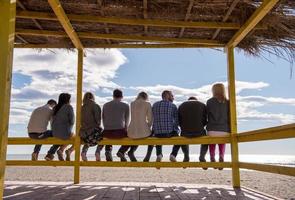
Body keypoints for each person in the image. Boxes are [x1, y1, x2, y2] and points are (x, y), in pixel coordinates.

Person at [171, 96, 209, 169]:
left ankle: (186, 156)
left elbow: (178, 121)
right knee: (206, 139)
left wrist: (183, 127)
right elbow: (205, 120)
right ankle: (202, 156)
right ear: (196, 100)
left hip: (185, 132)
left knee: (182, 137)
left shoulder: (182, 105)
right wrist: (201, 125)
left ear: (188, 100)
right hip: (199, 132)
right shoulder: (202, 105)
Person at [147, 90, 179, 163]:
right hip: (169, 133)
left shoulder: (155, 105)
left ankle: (159, 154)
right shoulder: (173, 106)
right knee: (179, 139)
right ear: (167, 96)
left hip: (157, 133)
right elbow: (176, 121)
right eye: (172, 96)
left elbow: (152, 118)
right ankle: (173, 155)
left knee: (158, 136)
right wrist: (176, 131)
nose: (173, 97)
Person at [102, 89, 131, 162]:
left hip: (107, 132)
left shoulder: (105, 105)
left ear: (113, 96)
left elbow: (103, 118)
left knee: (108, 134)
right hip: (119, 132)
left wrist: (106, 127)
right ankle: (121, 151)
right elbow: (127, 120)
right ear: (122, 96)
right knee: (131, 137)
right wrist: (126, 128)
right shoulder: (125, 105)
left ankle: (108, 151)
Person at [45, 93, 75, 161]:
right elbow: (72, 121)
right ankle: (64, 150)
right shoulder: (69, 107)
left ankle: (55, 153)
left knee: (63, 137)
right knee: (76, 138)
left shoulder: (55, 108)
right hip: (65, 133)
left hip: (54, 132)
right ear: (67, 100)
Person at [207, 83, 230, 170]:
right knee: (222, 141)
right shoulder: (228, 102)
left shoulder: (209, 101)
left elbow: (207, 115)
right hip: (224, 129)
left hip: (212, 129)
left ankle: (212, 157)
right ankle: (221, 156)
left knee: (212, 141)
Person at [127, 92, 153, 162]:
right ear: (145, 97)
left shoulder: (132, 103)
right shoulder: (147, 104)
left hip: (132, 131)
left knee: (137, 137)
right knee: (152, 137)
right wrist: (148, 127)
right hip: (143, 131)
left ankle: (131, 151)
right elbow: (150, 119)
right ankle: (147, 156)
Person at [80, 92, 103, 162]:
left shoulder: (81, 107)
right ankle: (97, 152)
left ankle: (84, 152)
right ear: (93, 97)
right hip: (93, 131)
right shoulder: (95, 105)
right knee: (104, 135)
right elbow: (98, 121)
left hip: (83, 133)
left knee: (88, 140)